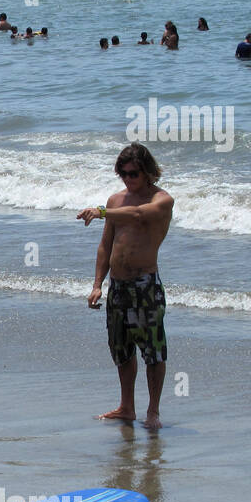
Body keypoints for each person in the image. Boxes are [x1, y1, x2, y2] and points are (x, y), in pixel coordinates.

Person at [77, 143, 174, 431]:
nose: (128, 179)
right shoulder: (115, 200)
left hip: (145, 285)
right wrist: (97, 284)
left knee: (153, 350)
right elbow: (106, 245)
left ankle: (153, 411)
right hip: (117, 286)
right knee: (121, 348)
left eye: (133, 174)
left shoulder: (162, 200)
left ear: (147, 172)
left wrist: (102, 212)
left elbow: (138, 215)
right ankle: (126, 407)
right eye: (123, 174)